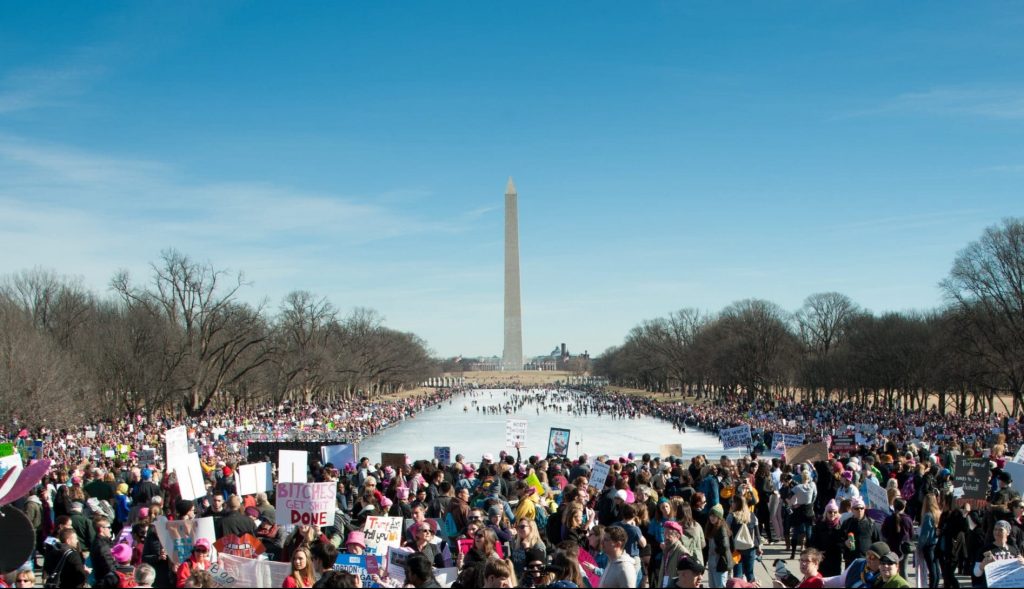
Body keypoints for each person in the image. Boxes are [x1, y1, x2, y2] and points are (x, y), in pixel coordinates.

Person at [821, 540, 889, 589]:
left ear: (882, 561)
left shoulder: (886, 577)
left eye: (873, 557)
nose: (868, 559)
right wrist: (818, 580)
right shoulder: (858, 563)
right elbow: (841, 580)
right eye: (867, 554)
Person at [727, 495, 762, 582]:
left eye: (733, 502)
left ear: (736, 504)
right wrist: (759, 547)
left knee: (738, 575)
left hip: (736, 549)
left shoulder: (731, 516)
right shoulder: (752, 516)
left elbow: (727, 533)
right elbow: (757, 534)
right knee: (750, 573)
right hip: (750, 548)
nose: (731, 504)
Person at [839, 497, 880, 567]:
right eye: (857, 508)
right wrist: (845, 543)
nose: (859, 510)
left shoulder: (871, 523)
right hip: (850, 560)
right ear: (852, 510)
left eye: (862, 508)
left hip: (867, 560)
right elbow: (839, 539)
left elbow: (877, 542)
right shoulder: (847, 523)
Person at [880, 498, 913, 580]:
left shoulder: (888, 519)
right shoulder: (908, 519)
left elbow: (884, 533)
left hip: (891, 548)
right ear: (904, 507)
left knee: (892, 570)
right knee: (903, 570)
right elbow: (911, 534)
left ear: (893, 507)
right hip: (904, 548)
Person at [809, 500, 844, 577]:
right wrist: (817, 553)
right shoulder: (819, 525)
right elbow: (812, 542)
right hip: (822, 558)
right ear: (826, 513)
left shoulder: (841, 526)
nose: (832, 514)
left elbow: (843, 541)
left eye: (835, 512)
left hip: (835, 559)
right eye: (830, 512)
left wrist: (841, 548)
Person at [705, 505, 731, 589]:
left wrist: (716, 550)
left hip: (720, 563)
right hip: (712, 562)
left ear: (719, 517)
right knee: (712, 585)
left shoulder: (722, 528)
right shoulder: (711, 527)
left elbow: (725, 546)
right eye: (711, 515)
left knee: (720, 585)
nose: (712, 518)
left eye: (714, 516)